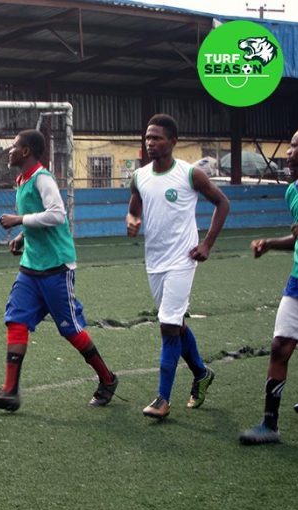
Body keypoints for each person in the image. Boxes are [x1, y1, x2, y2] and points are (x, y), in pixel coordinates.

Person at [0, 129, 119, 412]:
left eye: (14, 146)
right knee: (16, 319)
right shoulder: (22, 179)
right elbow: (38, 218)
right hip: (31, 267)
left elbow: (56, 214)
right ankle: (9, 392)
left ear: (26, 151)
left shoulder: (42, 178)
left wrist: (18, 220)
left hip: (55, 266)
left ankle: (108, 378)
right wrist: (22, 236)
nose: (9, 151)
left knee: (70, 331)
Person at [126, 114, 230, 419]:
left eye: (157, 138)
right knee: (175, 324)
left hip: (184, 259)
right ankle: (201, 373)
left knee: (168, 326)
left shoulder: (190, 174)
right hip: (154, 262)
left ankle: (162, 399)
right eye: (147, 137)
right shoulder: (140, 176)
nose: (150, 143)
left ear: (173, 141)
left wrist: (207, 243)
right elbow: (133, 209)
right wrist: (132, 222)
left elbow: (222, 203)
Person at [240, 127, 298, 445]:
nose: (288, 152)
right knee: (280, 346)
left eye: (294, 145)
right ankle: (270, 424)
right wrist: (269, 244)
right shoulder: (293, 191)